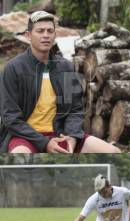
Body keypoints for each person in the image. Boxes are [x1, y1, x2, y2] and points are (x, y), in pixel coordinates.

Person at [0, 11, 120, 153]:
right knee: (20, 157)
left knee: (113, 152)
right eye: (40, 31)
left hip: (61, 134)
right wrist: (44, 143)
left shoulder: (66, 67)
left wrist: (73, 136)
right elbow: (10, 117)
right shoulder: (13, 68)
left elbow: (75, 109)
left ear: (55, 35)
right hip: (27, 137)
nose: (46, 35)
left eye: (50, 31)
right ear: (28, 35)